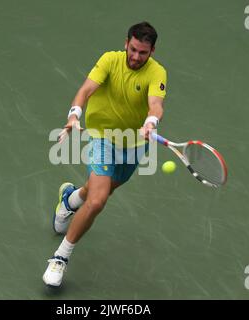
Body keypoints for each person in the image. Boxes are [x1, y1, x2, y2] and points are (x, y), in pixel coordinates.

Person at [43, 21, 167, 287]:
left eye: (143, 52)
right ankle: (59, 258)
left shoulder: (157, 73)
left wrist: (151, 122)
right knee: (98, 201)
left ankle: (69, 200)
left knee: (100, 190)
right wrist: (74, 114)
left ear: (152, 51)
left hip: (133, 144)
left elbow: (155, 105)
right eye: (133, 49)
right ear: (126, 43)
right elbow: (86, 90)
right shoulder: (110, 60)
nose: (136, 57)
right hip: (101, 137)